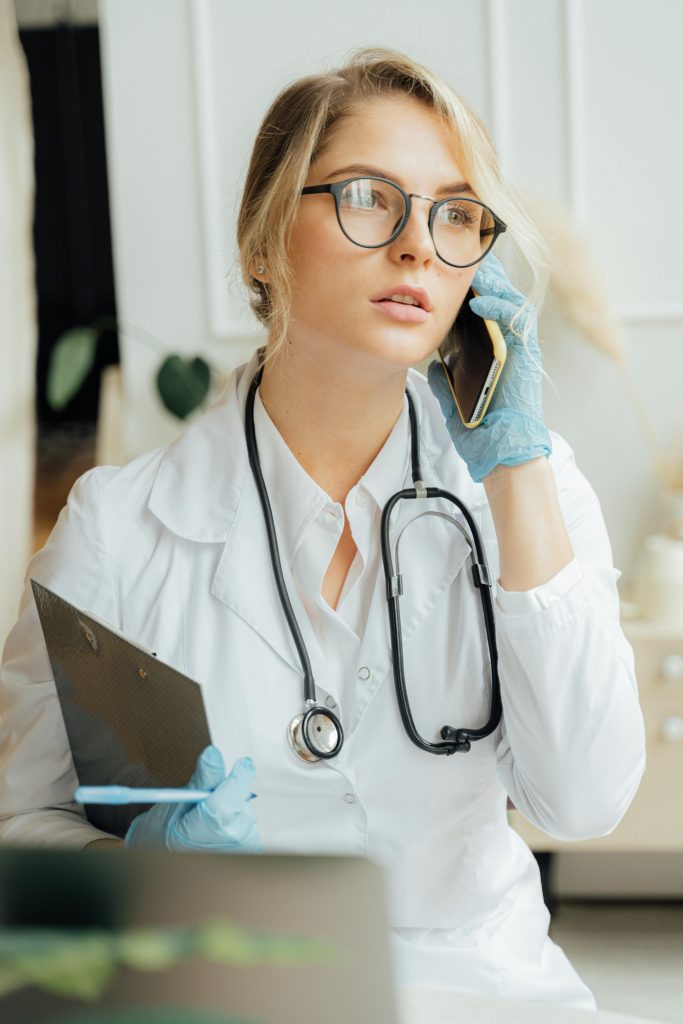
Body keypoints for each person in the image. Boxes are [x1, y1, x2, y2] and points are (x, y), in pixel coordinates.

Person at [0, 47, 646, 1009]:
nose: (419, 244)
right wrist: (143, 858)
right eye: (370, 198)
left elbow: (585, 802)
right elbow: (21, 826)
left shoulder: (530, 494)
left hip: (484, 990)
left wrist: (516, 471)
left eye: (455, 214)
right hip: (226, 988)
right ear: (261, 242)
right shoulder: (121, 529)